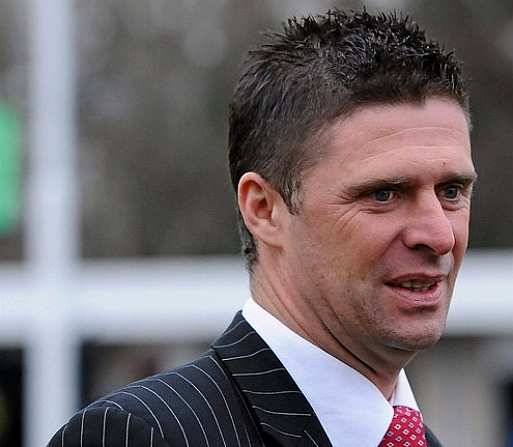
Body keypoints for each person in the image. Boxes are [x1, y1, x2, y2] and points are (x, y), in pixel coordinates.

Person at [48, 9, 475, 447]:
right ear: (264, 209)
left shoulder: (418, 439)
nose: (439, 235)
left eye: (453, 191)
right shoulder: (143, 435)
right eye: (384, 194)